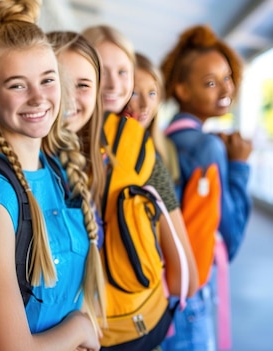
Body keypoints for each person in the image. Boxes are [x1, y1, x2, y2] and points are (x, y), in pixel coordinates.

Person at [0, 1, 105, 350]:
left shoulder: (56, 171)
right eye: (17, 85)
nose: (38, 97)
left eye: (47, 80)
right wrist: (79, 330)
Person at [82, 24, 198, 298]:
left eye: (123, 72)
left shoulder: (142, 152)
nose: (112, 83)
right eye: (100, 71)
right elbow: (185, 279)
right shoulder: (140, 152)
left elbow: (187, 275)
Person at [160, 24, 252, 351]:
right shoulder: (207, 149)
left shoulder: (166, 140)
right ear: (181, 89)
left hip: (166, 287)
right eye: (210, 82)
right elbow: (230, 236)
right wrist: (239, 165)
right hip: (194, 291)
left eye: (227, 77)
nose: (225, 88)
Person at [47, 30, 105, 228]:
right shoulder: (30, 167)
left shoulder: (92, 160)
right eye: (59, 83)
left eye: (83, 85)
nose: (70, 97)